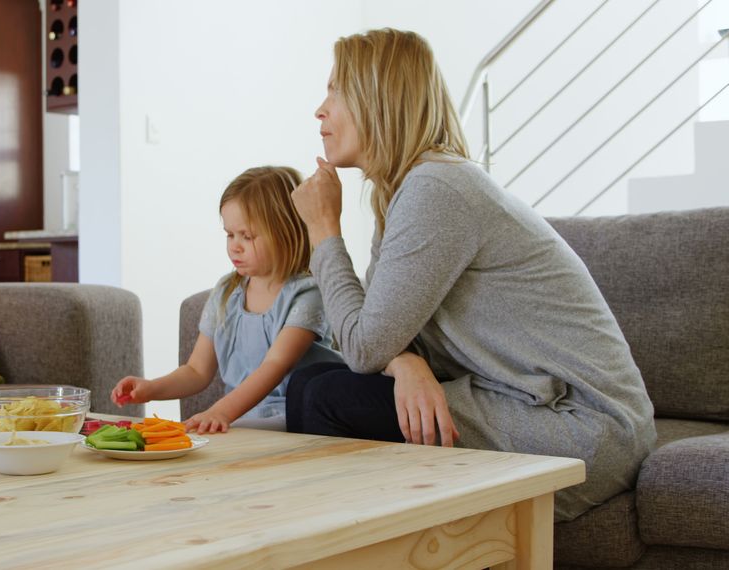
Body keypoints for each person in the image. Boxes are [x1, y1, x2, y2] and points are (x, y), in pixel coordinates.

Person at [287, 28, 656, 521]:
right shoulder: (405, 193)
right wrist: (407, 365)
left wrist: (324, 231)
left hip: (581, 427)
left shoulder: (437, 188)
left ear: (378, 98)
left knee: (329, 395)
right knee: (308, 381)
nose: (320, 109)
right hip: (524, 404)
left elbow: (363, 346)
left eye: (335, 90)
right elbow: (365, 334)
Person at [111, 166, 344, 433]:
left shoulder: (307, 293)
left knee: (209, 441)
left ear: (286, 232)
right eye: (229, 234)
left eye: (247, 236)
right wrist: (151, 388)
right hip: (246, 418)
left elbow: (275, 366)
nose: (235, 246)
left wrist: (221, 411)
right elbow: (197, 370)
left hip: (294, 415)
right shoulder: (225, 293)